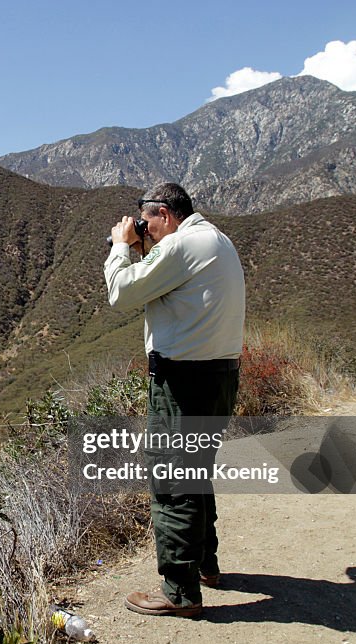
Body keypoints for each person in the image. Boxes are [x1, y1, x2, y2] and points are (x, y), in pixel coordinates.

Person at [104, 182, 245, 617]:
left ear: (163, 214)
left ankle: (180, 592)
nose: (144, 232)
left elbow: (121, 293)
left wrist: (119, 246)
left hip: (183, 381)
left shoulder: (183, 244)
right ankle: (205, 566)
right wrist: (145, 247)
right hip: (219, 374)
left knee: (172, 481)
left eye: (147, 224)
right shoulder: (216, 240)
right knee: (195, 473)